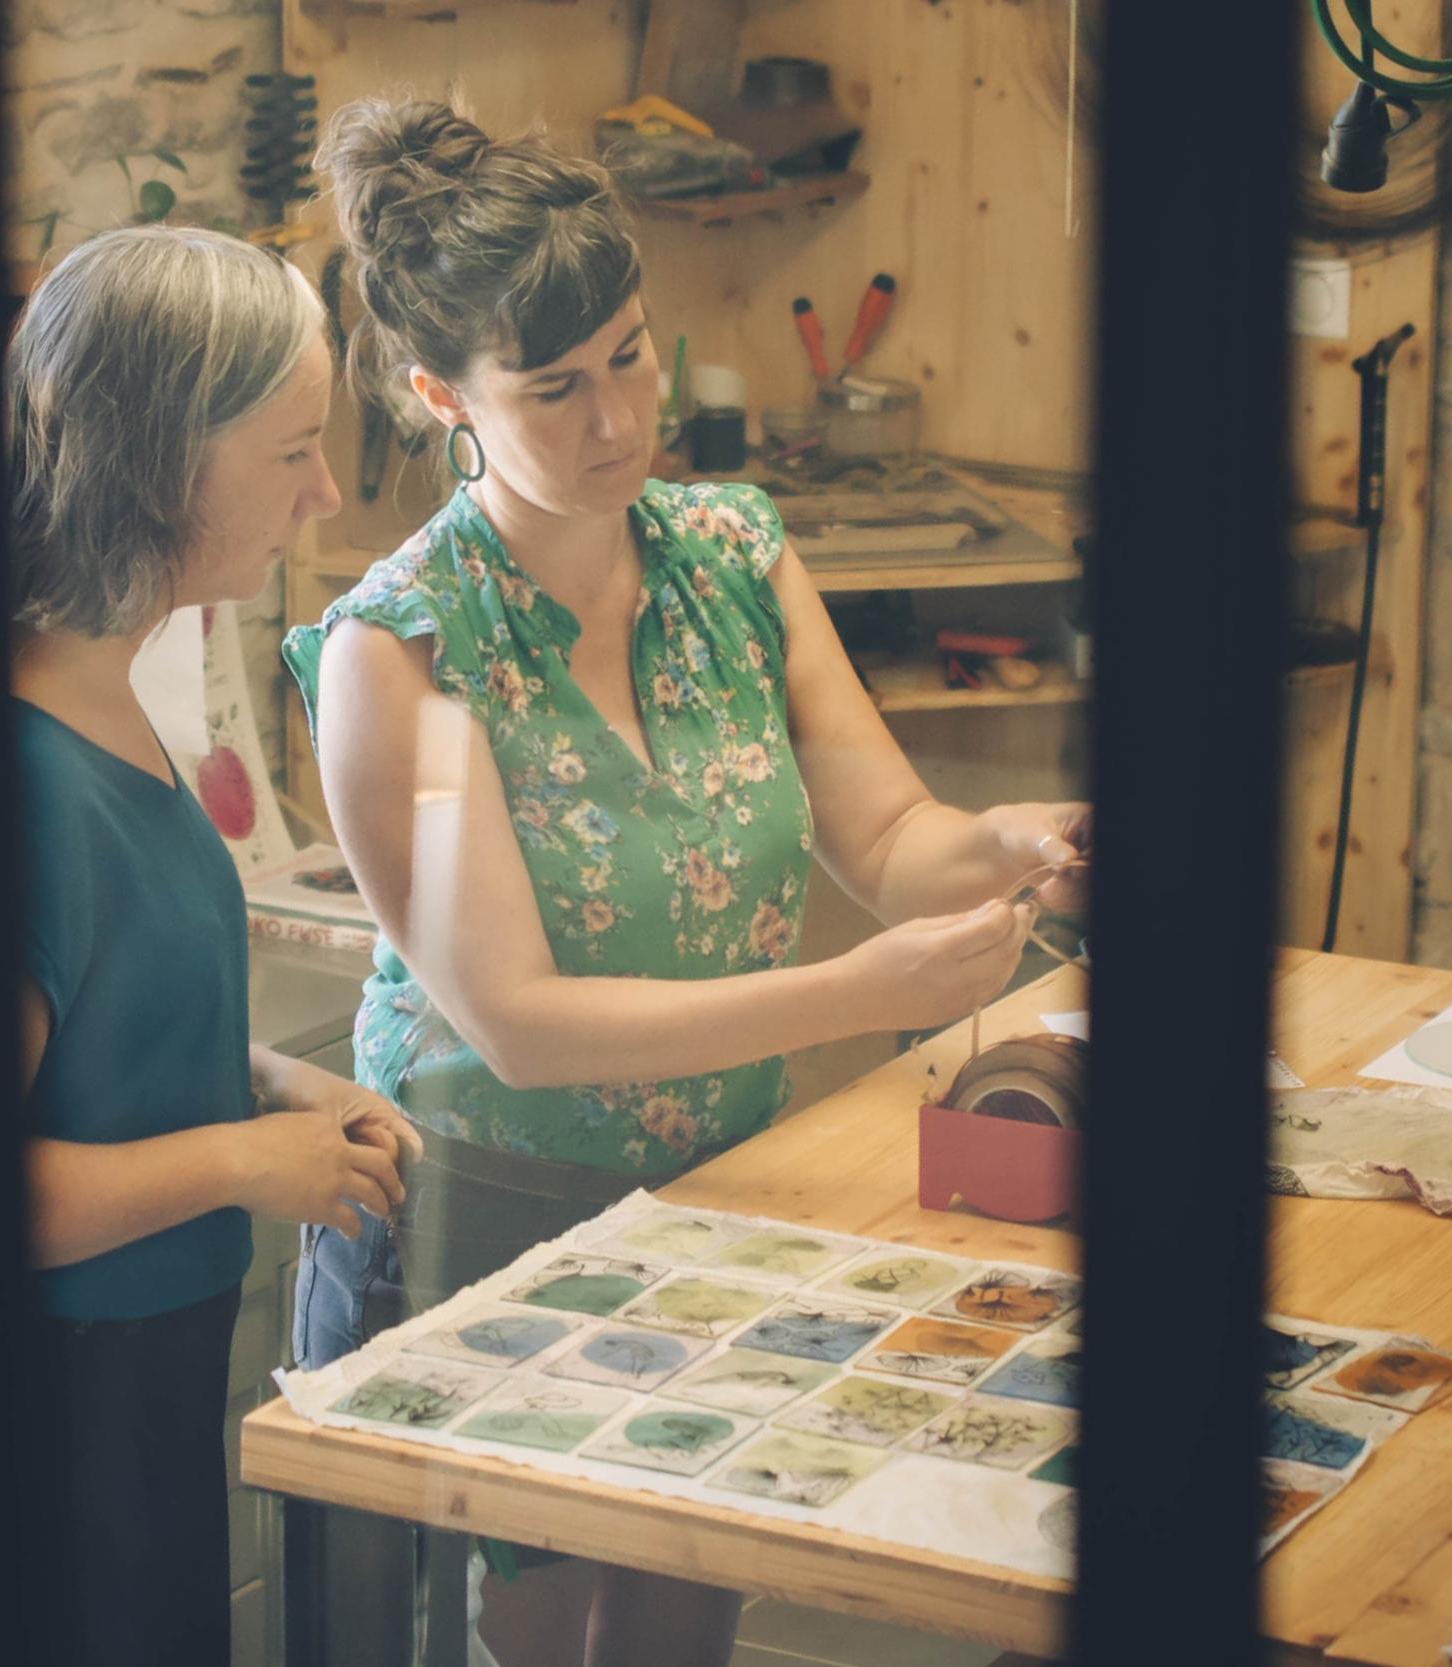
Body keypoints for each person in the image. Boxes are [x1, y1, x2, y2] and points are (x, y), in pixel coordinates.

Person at [284, 101, 1091, 1667]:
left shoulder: (734, 552)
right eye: (556, 387)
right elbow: (519, 1023)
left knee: (675, 1631)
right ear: (439, 394)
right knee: (517, 1640)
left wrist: (1006, 842)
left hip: (723, 1189)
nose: (615, 420)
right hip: (481, 1214)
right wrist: (862, 997)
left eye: (635, 358)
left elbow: (887, 839)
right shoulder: (402, 651)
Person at [0, 225, 421, 1667]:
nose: (326, 492)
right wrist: (240, 1161)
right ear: (166, 463)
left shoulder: (105, 692)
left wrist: (273, 1088)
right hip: (13, 1416)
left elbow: (111, 1020)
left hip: (134, 1382)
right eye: (291, 452)